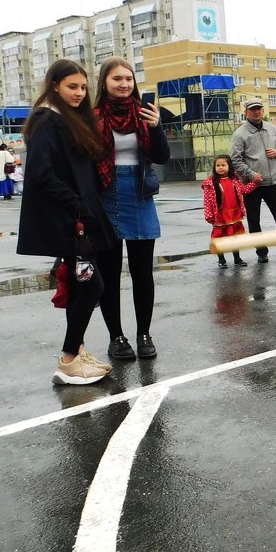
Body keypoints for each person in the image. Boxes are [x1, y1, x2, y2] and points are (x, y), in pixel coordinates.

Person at [17, 59, 117, 385]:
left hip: (78, 217)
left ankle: (77, 352)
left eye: (84, 87)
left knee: (79, 287)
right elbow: (40, 174)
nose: (79, 93)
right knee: (93, 286)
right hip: (70, 222)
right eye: (72, 86)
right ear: (55, 86)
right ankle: (69, 359)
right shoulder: (48, 119)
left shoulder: (67, 118)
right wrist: (77, 205)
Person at [93, 57, 171, 361]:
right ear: (104, 82)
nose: (124, 84)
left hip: (138, 195)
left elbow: (162, 157)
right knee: (109, 275)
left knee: (142, 273)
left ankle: (143, 334)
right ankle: (117, 337)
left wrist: (156, 128)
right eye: (117, 79)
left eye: (128, 78)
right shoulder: (93, 117)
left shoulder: (145, 114)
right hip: (105, 195)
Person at [230, 98, 276, 265]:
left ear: (263, 110)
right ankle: (261, 251)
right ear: (246, 112)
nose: (257, 112)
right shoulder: (239, 134)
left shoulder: (272, 128)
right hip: (253, 184)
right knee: (254, 220)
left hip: (274, 181)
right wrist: (250, 174)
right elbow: (235, 160)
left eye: (259, 109)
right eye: (253, 109)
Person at [202, 154, 259, 268]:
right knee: (219, 238)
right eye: (218, 165)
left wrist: (255, 183)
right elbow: (207, 200)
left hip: (234, 214)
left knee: (234, 237)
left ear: (229, 166)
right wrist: (208, 214)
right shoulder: (210, 183)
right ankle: (221, 260)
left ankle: (237, 258)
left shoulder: (234, 180)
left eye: (223, 165)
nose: (220, 167)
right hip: (220, 215)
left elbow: (243, 190)